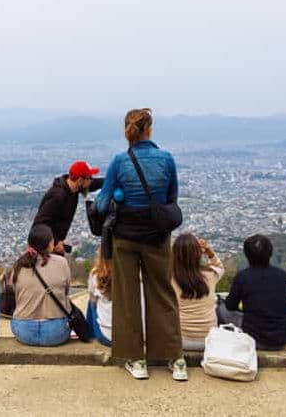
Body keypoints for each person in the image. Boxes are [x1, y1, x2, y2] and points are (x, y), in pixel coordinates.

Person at [96, 108, 186, 381]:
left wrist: (120, 198)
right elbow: (171, 199)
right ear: (149, 129)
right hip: (157, 237)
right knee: (162, 293)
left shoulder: (120, 162)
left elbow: (101, 204)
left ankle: (136, 359)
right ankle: (174, 358)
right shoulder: (166, 159)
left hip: (125, 238)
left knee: (127, 297)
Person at [223, 234, 286, 350]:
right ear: (270, 253)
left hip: (253, 338)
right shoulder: (282, 275)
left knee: (221, 309)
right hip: (281, 339)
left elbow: (230, 306)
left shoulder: (243, 277)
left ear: (246, 254)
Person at [10, 224, 72, 346]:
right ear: (49, 244)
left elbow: (15, 292)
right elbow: (66, 291)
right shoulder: (61, 263)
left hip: (24, 331)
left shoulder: (18, 265)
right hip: (56, 332)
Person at [33, 160, 104, 256]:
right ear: (80, 180)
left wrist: (110, 181)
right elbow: (40, 223)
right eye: (89, 178)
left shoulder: (73, 188)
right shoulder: (57, 196)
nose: (91, 180)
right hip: (47, 246)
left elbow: (93, 184)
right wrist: (55, 242)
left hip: (55, 243)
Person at [171, 234, 225, 351]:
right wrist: (210, 253)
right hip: (209, 339)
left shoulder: (170, 278)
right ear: (198, 254)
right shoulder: (211, 275)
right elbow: (220, 267)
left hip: (180, 340)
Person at [87, 248, 113, 346]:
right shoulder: (130, 273)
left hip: (105, 337)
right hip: (127, 337)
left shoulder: (96, 273)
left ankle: (89, 333)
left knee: (91, 301)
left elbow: (93, 302)